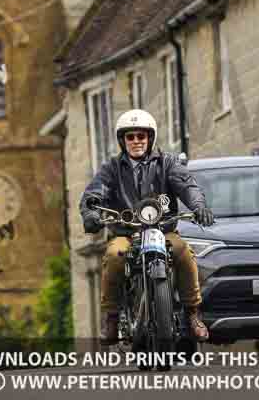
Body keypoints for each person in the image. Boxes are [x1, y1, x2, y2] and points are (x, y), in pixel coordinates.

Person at [80, 109, 215, 345]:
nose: (136, 142)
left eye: (141, 136)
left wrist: (199, 206)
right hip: (127, 233)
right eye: (130, 137)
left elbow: (187, 186)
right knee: (114, 255)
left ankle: (193, 314)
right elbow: (94, 193)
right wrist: (91, 212)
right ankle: (112, 318)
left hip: (164, 231)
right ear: (122, 141)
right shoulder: (111, 169)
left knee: (183, 251)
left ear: (150, 138)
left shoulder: (168, 163)